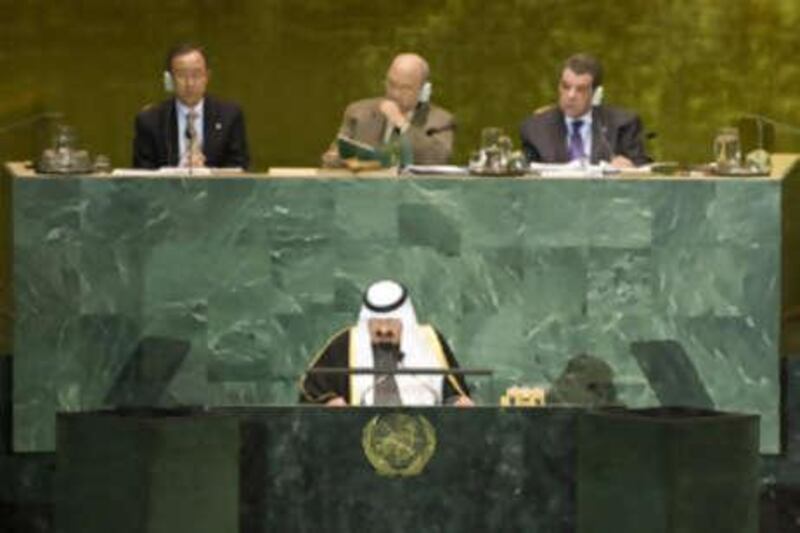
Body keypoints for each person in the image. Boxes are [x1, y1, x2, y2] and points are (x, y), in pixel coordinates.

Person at [299, 280, 473, 407]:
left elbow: (452, 392)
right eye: (375, 322)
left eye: (391, 322)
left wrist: (457, 403)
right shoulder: (345, 344)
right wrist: (329, 402)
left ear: (405, 320)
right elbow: (312, 390)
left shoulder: (429, 340)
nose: (383, 330)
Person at [321, 53, 455, 167]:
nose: (395, 93)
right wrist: (333, 158)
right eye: (391, 84)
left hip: (410, 194)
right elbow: (334, 155)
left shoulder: (441, 120)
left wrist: (401, 123)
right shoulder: (358, 112)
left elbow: (438, 159)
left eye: (405, 88)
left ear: (422, 90)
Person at [519, 53, 650, 168]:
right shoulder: (535, 129)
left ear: (595, 94)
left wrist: (631, 170)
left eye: (580, 89)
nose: (570, 95)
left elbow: (644, 171)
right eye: (566, 86)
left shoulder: (623, 125)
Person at [132, 43, 250, 169]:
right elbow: (142, 175)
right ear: (170, 79)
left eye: (197, 74)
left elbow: (239, 167)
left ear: (207, 77)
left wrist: (207, 172)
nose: (190, 83)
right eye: (182, 75)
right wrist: (180, 170)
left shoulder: (229, 116)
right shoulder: (150, 120)